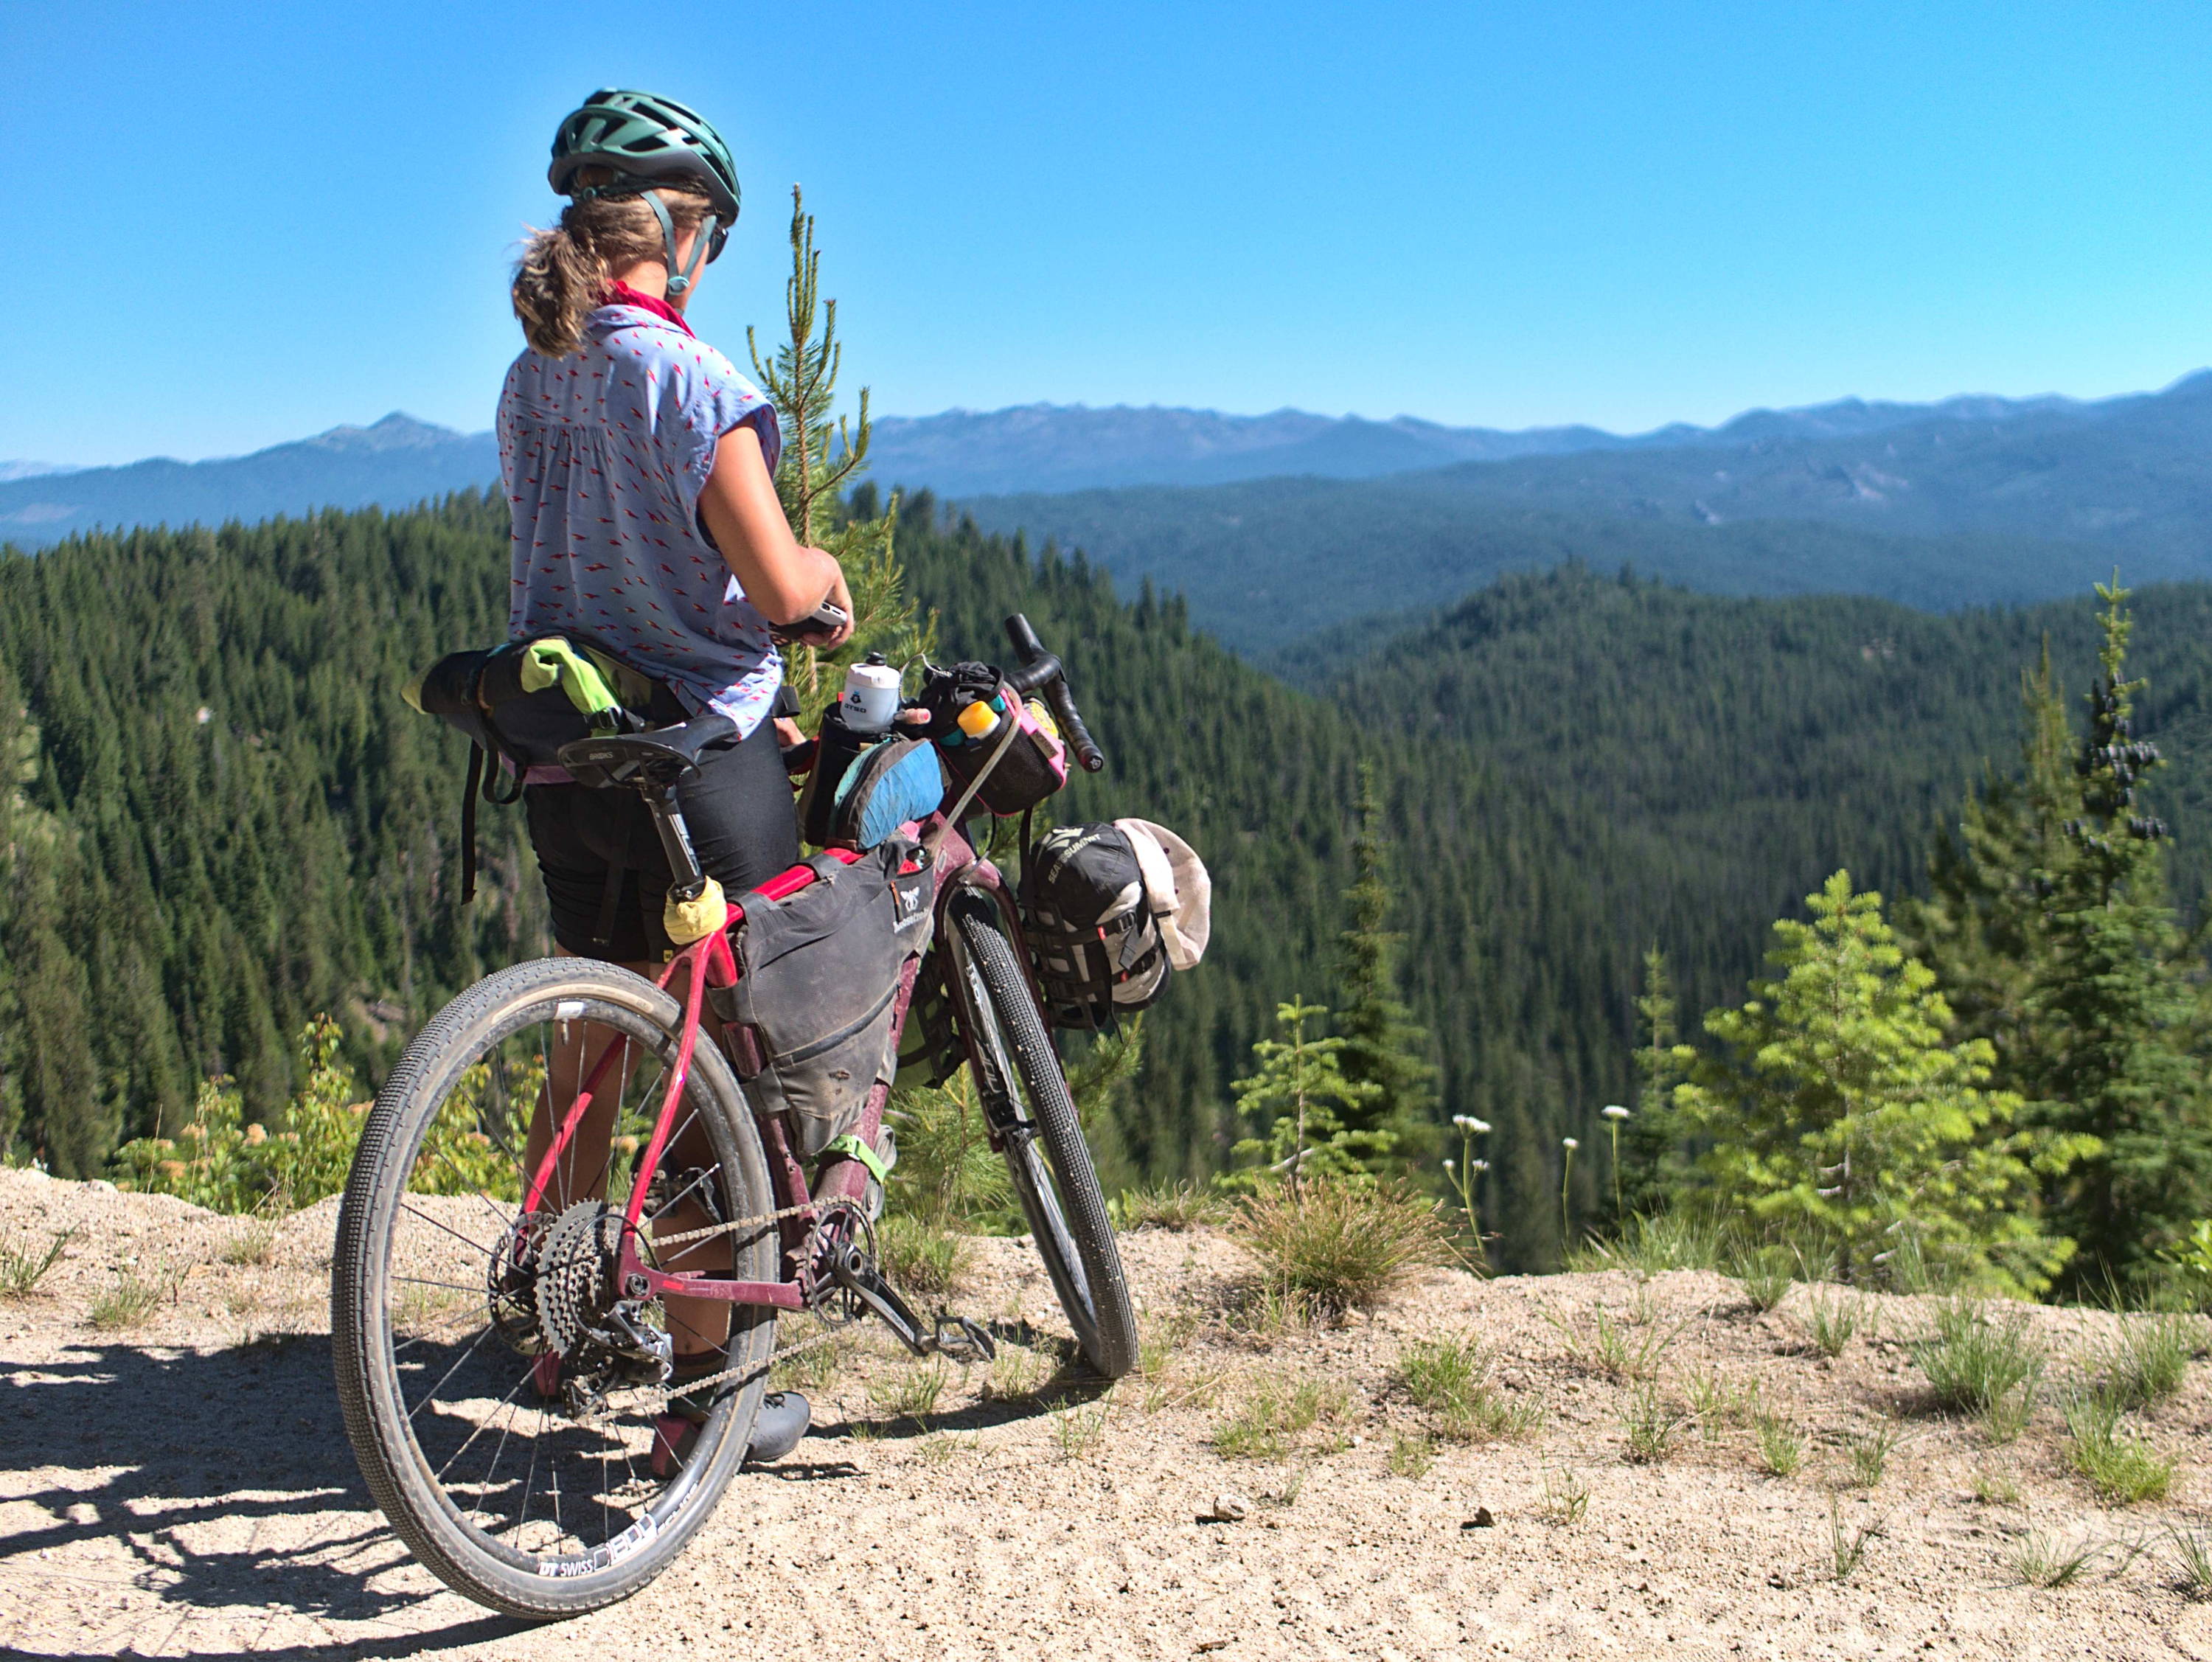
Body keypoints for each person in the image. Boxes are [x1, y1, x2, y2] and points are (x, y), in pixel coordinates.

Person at [500, 88, 837, 1463]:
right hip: (697, 757)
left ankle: (555, 1319)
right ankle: (711, 1389)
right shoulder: (693, 384)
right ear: (681, 235)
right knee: (727, 1065)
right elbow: (779, 586)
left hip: (567, 755)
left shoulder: (531, 376)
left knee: (591, 1033)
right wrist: (826, 586)